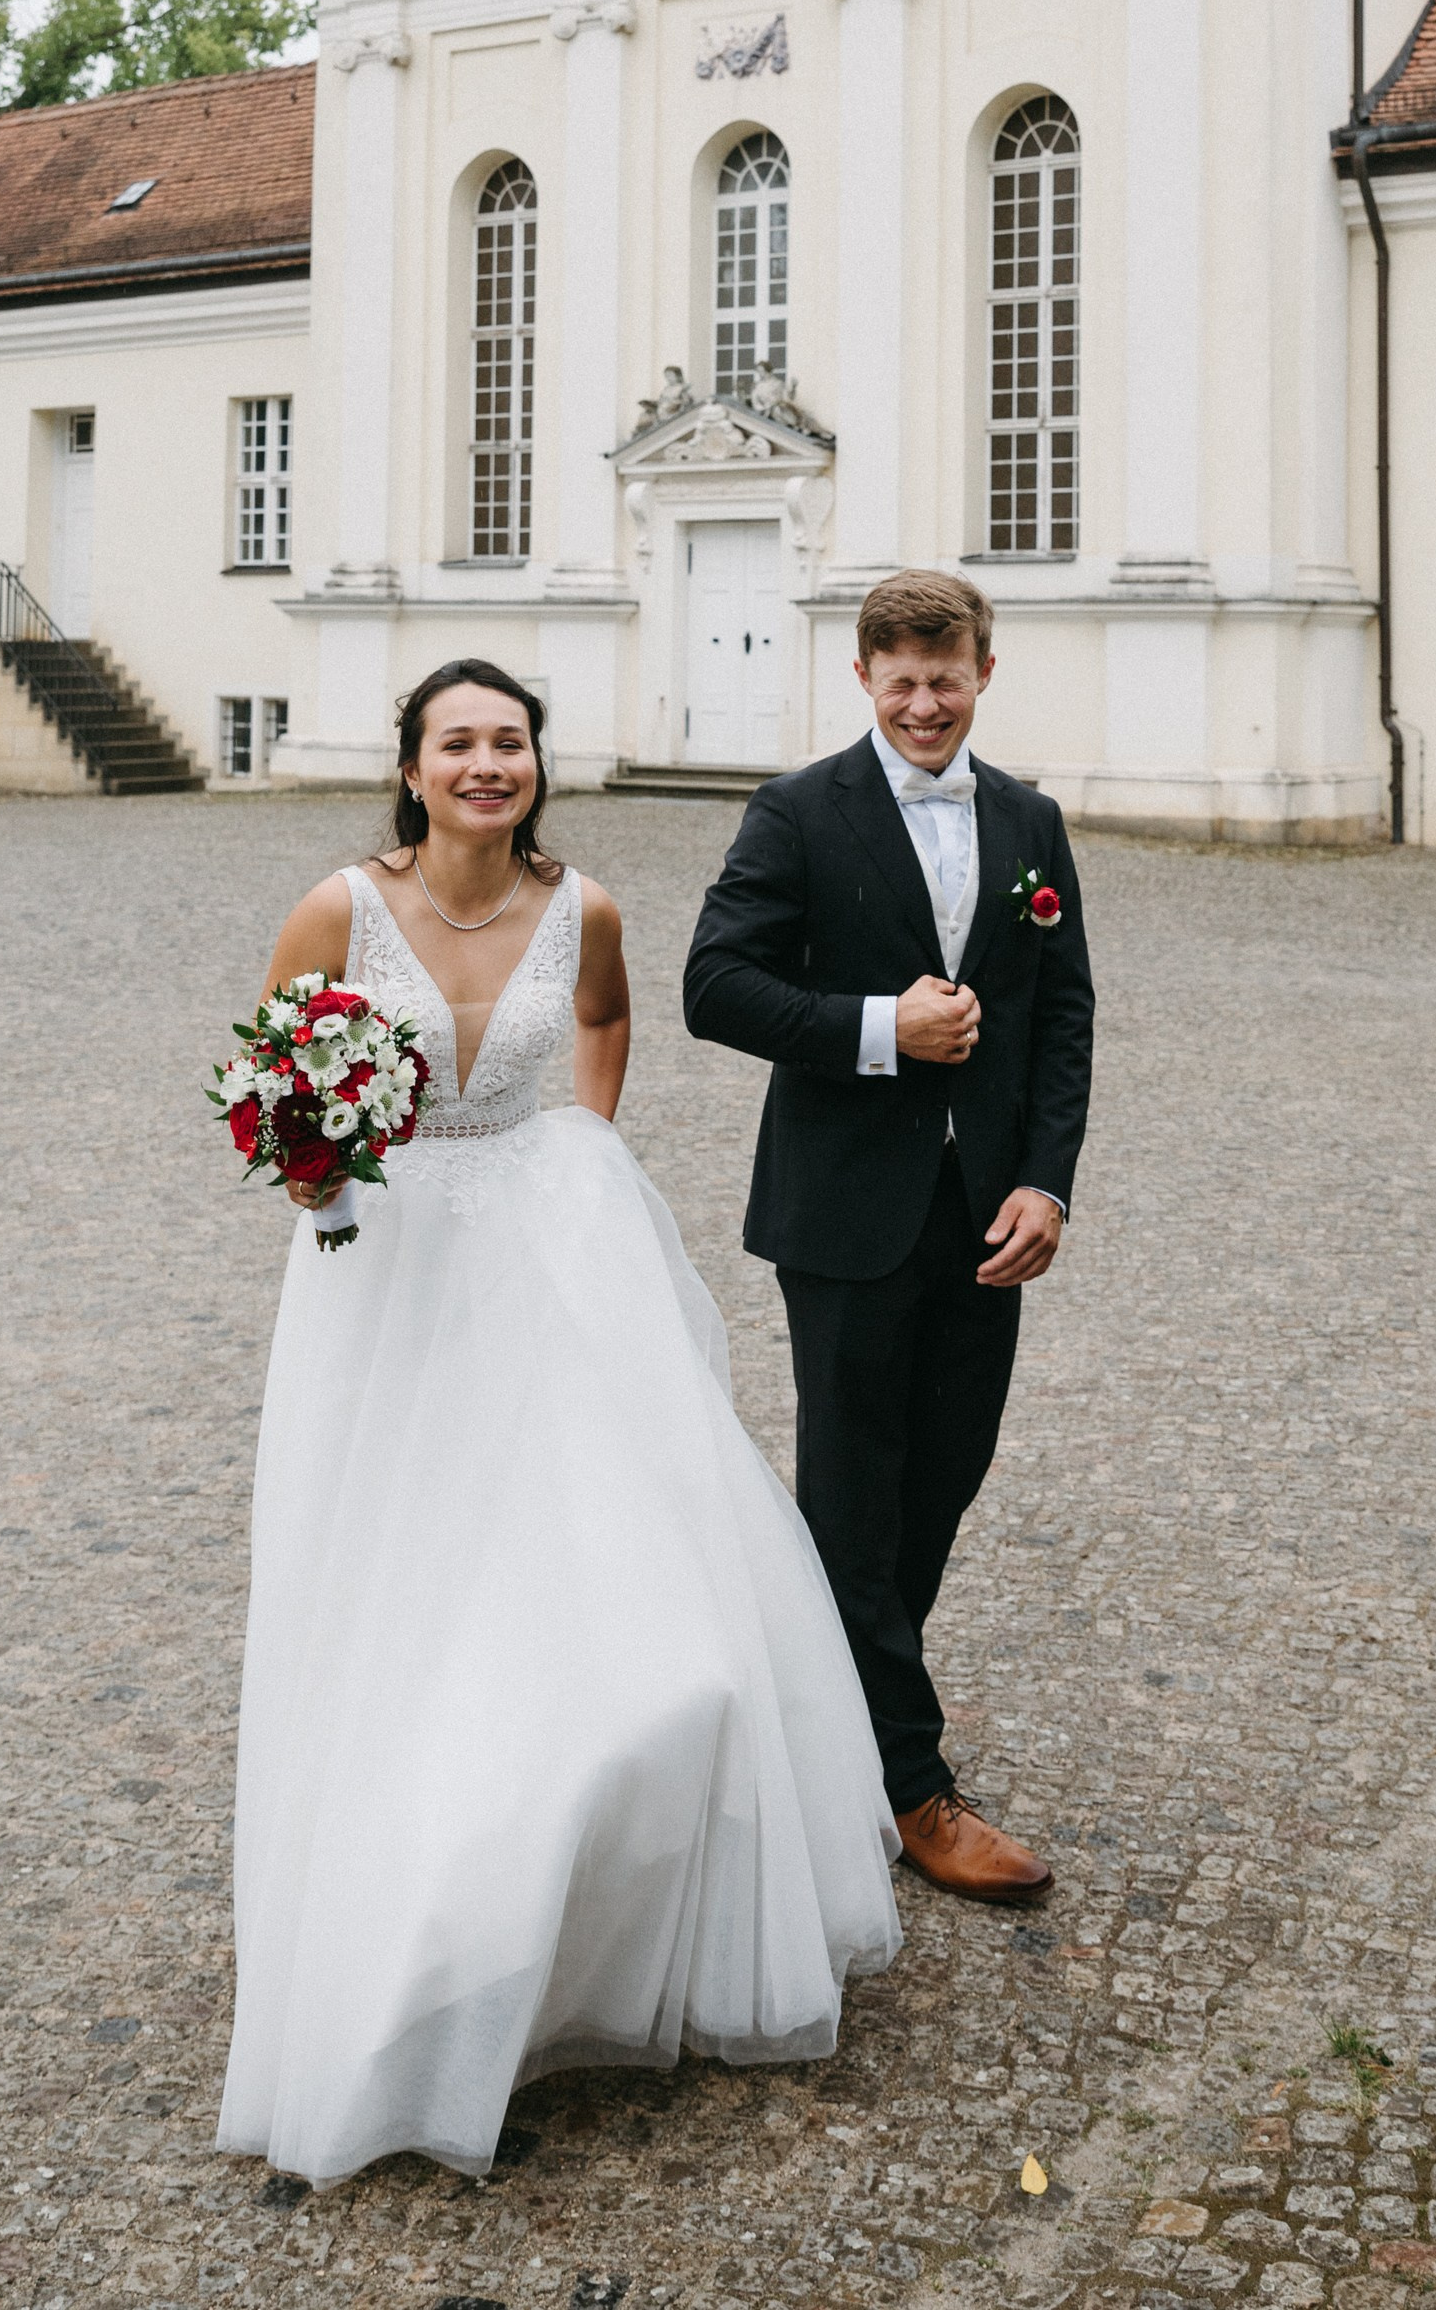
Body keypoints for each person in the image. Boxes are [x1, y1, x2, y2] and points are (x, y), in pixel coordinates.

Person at [217, 659, 900, 2188]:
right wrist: (320, 1168)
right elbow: (274, 1087)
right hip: (383, 1282)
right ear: (409, 766)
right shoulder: (336, 908)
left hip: (547, 1263)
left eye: (508, 742)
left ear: (537, 765)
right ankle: (409, 1950)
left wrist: (580, 1152)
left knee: (624, 1598)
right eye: (456, 742)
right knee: (398, 1595)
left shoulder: (585, 906)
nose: (485, 764)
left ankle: (580, 1920)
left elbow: (600, 1026)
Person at [683, 575, 1094, 1905]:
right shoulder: (800, 810)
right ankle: (909, 1784)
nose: (925, 704)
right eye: (901, 681)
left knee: (946, 1473)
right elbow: (715, 986)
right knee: (855, 1495)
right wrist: (878, 1028)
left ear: (985, 671)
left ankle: (836, 1714)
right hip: (847, 1208)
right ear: (863, 677)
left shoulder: (1028, 819)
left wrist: (1046, 1182)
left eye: (949, 678)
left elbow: (1063, 1016)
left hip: (985, 1215)